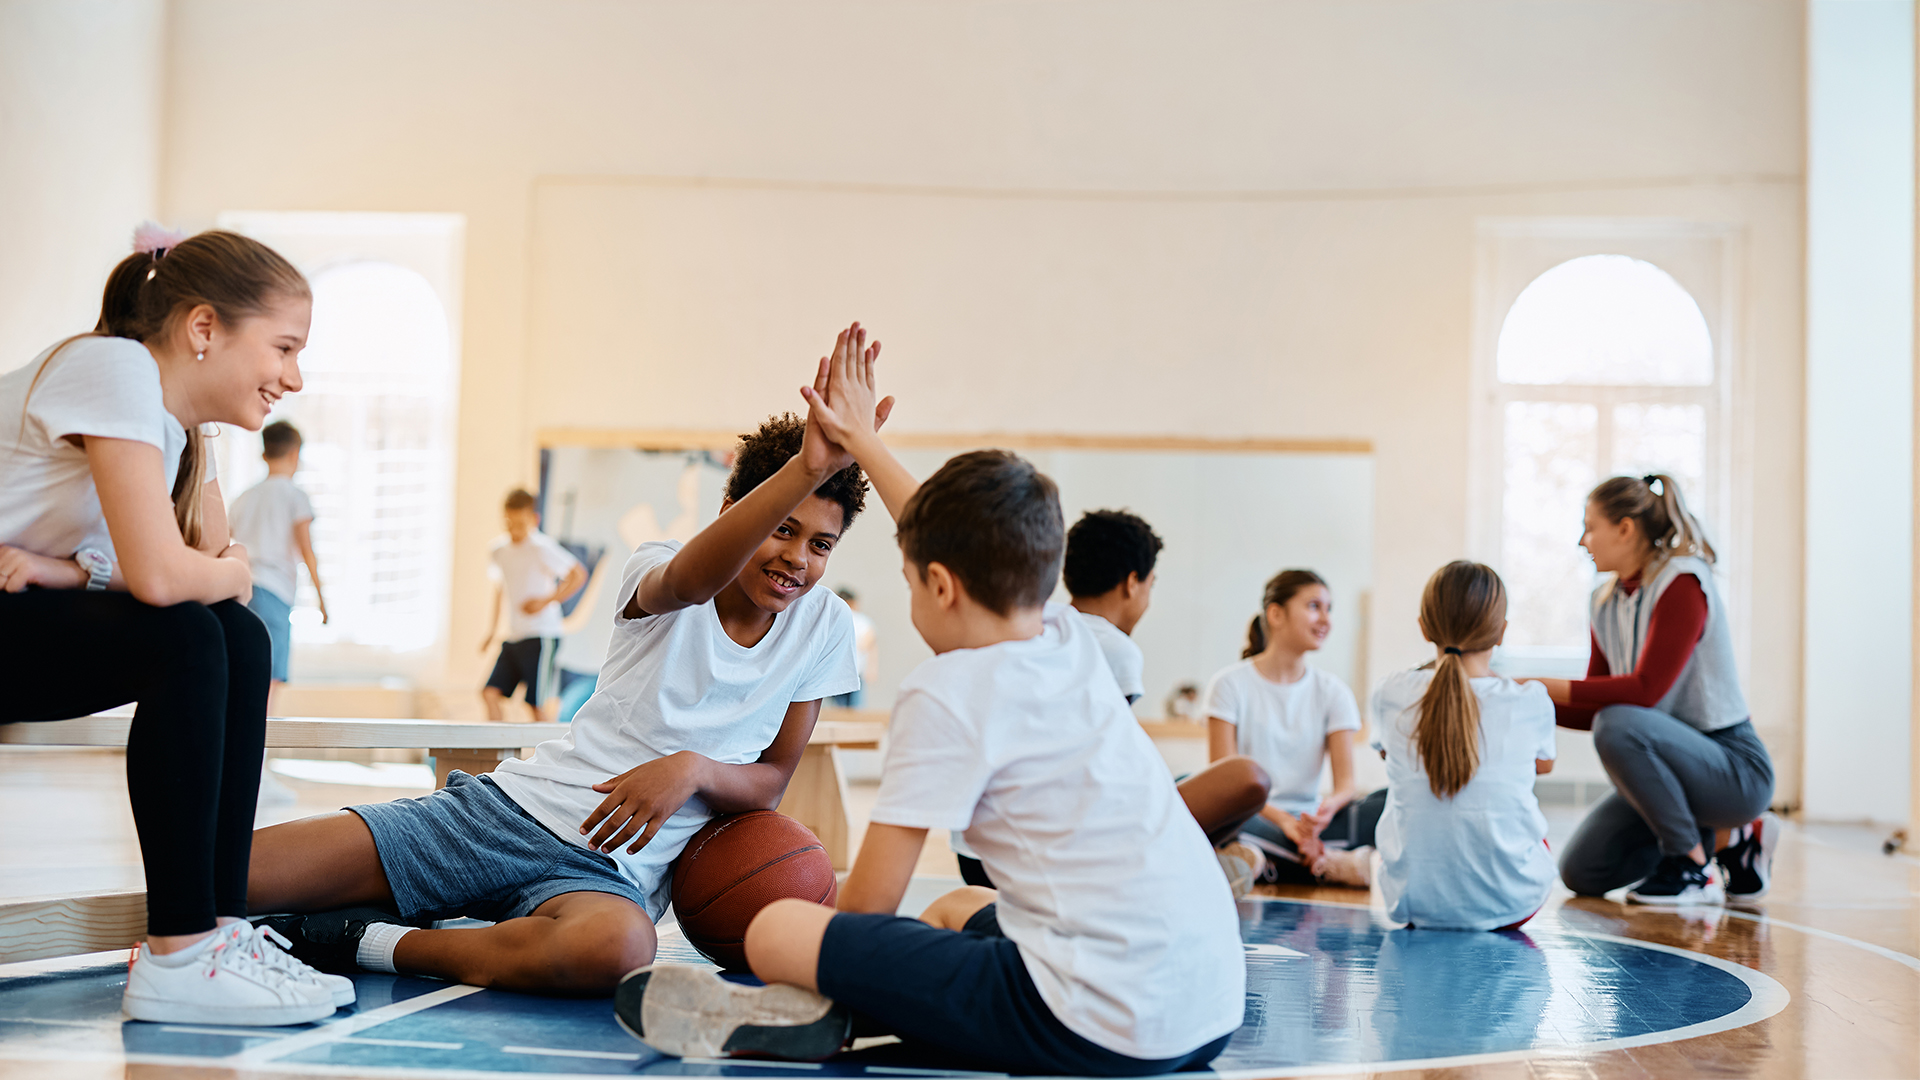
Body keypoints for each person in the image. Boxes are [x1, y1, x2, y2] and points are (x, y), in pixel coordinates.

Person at [617, 332, 1244, 1075]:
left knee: (780, 929)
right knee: (949, 913)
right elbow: (965, 542)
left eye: (913, 578)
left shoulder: (947, 694)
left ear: (940, 586)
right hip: (1207, 1011)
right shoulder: (1067, 641)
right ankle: (875, 1022)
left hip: (1102, 1026)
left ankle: (826, 1023)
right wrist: (859, 443)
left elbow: (868, 910)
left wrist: (824, 956)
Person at [246, 326, 873, 996]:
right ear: (733, 510)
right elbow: (692, 583)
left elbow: (772, 780)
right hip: (510, 816)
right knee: (232, 875)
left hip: (607, 878)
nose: (798, 559)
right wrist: (804, 468)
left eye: (821, 544)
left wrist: (690, 770)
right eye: (782, 528)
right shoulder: (659, 567)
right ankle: (414, 901)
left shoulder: (826, 627)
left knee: (619, 949)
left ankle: (377, 940)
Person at [0, 225, 345, 1025]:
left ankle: (219, 931)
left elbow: (162, 561)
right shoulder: (113, 367)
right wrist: (233, 571)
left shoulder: (165, 421)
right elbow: (172, 575)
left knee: (237, 634)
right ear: (202, 329)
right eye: (284, 348)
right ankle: (182, 950)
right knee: (197, 628)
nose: (294, 377)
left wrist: (78, 570)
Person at [953, 507, 1271, 897]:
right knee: (1248, 779)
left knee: (1179, 786)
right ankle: (1180, 878)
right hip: (1037, 858)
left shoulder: (1038, 625)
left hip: (973, 858)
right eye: (1151, 586)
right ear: (1133, 583)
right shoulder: (1112, 646)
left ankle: (1183, 872)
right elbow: (1103, 773)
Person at [1531, 474, 1776, 906]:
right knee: (1583, 872)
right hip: (1670, 769)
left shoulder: (1683, 582)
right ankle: (1729, 841)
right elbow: (1594, 708)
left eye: (1590, 527)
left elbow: (1643, 693)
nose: (1582, 541)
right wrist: (1517, 702)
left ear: (1625, 529)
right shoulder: (1604, 600)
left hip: (1735, 769)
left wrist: (1537, 684)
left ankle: (1692, 864)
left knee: (1619, 721)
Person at [1365, 561, 1556, 930]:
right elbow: (1542, 765)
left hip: (1411, 901)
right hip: (1511, 904)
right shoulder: (1530, 700)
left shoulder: (1391, 692)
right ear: (1501, 633)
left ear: (1424, 627)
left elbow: (1386, 752)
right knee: (1536, 838)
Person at [1205, 570, 1376, 886]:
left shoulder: (1334, 691)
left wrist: (1324, 814)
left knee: (1384, 804)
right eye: (1314, 606)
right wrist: (1283, 821)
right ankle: (1328, 864)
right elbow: (1222, 785)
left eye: (1329, 609)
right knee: (1189, 790)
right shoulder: (1228, 685)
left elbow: (1346, 785)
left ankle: (1261, 860)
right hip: (1253, 817)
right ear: (1275, 614)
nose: (1326, 619)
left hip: (1313, 823)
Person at [228, 420, 326, 705]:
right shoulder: (296, 497)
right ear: (296, 454)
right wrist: (322, 601)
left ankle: (243, 741)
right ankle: (258, 745)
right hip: (275, 593)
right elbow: (307, 551)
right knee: (270, 678)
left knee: (244, 670)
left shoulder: (243, 498)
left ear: (263, 455)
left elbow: (220, 544)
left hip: (242, 591)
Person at [480, 489, 587, 722]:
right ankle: (497, 752)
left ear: (532, 519)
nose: (514, 530)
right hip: (514, 635)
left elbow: (577, 575)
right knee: (489, 693)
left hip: (541, 634)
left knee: (536, 706)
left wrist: (546, 601)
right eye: (509, 523)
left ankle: (550, 757)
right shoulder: (498, 551)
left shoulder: (541, 547)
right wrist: (491, 631)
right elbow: (500, 590)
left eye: (520, 523)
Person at [828, 587, 876, 708]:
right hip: (856, 670)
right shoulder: (862, 621)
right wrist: (871, 669)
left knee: (837, 707)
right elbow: (869, 644)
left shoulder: (832, 619)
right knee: (854, 708)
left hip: (836, 670)